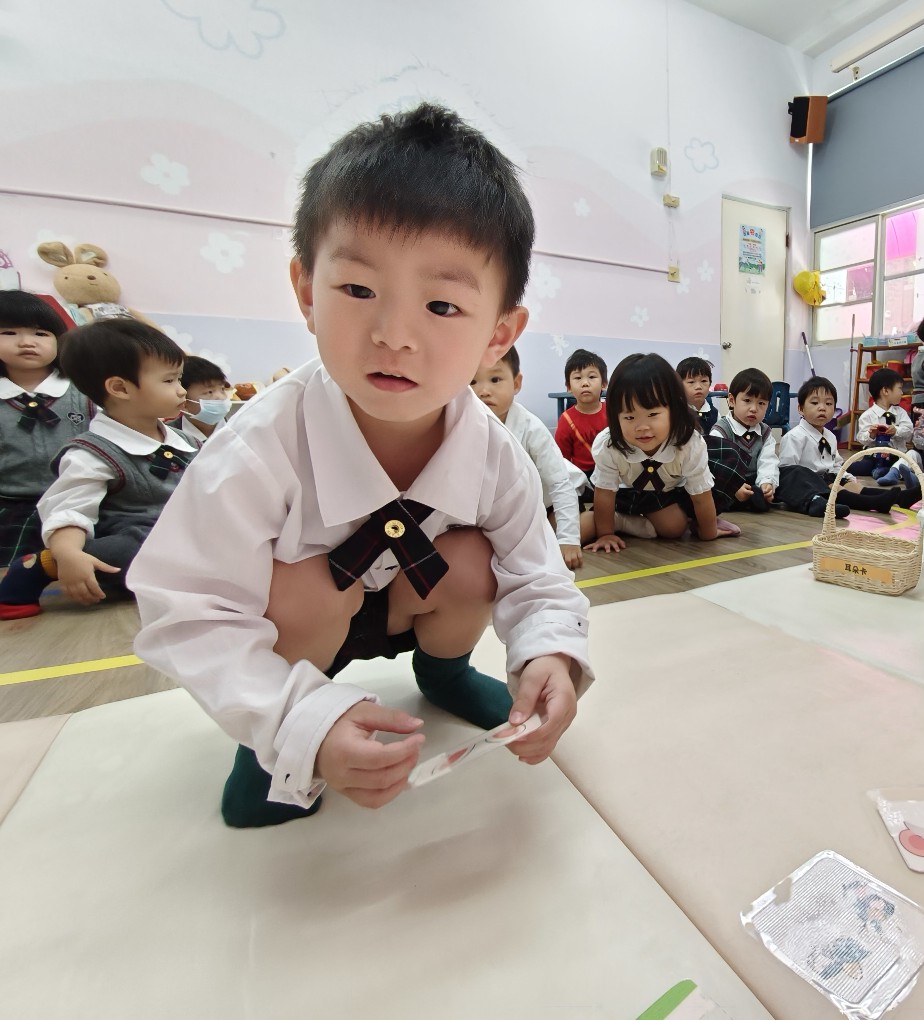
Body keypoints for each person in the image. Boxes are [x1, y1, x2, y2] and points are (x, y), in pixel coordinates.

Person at [127, 104, 593, 829]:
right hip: (307, 637)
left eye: (442, 305)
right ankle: (268, 751)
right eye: (358, 290)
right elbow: (186, 608)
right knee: (296, 591)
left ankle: (444, 673)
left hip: (417, 604)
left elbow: (536, 574)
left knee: (477, 560)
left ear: (499, 334)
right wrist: (296, 724)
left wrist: (550, 656)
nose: (394, 335)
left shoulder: (495, 451)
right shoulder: (259, 445)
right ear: (306, 292)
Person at [0, 319, 194, 619]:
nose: (181, 391)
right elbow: (70, 510)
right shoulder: (92, 453)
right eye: (169, 381)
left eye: (179, 380)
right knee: (143, 552)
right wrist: (68, 555)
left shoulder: (187, 441)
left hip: (183, 530)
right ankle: (41, 565)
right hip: (136, 536)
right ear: (120, 388)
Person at [585, 352, 739, 552]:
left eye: (653, 414)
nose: (642, 427)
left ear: (674, 409)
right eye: (629, 417)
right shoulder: (610, 443)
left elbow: (701, 495)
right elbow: (605, 493)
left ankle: (626, 522)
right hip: (623, 492)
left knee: (674, 528)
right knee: (585, 526)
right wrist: (605, 534)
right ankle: (618, 521)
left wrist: (708, 532)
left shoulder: (688, 443)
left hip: (664, 493)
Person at [472, 345, 593, 570]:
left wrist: (568, 540)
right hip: (511, 506)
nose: (484, 391)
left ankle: (603, 519)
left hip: (551, 498)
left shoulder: (530, 427)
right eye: (472, 382)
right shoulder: (464, 425)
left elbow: (560, 483)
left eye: (495, 379)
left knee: (549, 540)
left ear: (516, 383)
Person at [0, 290, 92, 565]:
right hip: (10, 503)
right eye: (9, 333)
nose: (27, 342)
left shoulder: (86, 392)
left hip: (79, 498)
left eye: (40, 333)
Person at [776, 376, 919, 517]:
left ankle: (900, 497)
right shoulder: (794, 436)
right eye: (814, 403)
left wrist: (846, 476)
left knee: (851, 485)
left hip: (827, 478)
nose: (822, 408)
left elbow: (836, 464)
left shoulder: (830, 436)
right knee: (834, 486)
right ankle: (875, 503)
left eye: (828, 404)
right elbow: (788, 473)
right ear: (801, 408)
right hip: (808, 486)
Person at [707, 367, 779, 514]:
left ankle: (759, 496)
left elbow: (768, 461)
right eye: (747, 401)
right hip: (728, 485)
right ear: (732, 401)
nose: (754, 409)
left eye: (761, 403)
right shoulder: (721, 430)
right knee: (713, 492)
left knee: (792, 473)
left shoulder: (765, 432)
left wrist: (766, 483)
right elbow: (716, 467)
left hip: (754, 481)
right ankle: (749, 500)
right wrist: (734, 487)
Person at [554, 348, 607, 477]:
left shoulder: (613, 412)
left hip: (612, 472)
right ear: (568, 387)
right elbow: (562, 460)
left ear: (604, 384)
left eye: (592, 377)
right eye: (578, 378)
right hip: (582, 478)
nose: (585, 383)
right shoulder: (566, 420)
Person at [854, 367, 912, 478]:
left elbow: (909, 432)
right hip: (874, 457)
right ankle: (880, 470)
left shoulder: (901, 413)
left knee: (904, 463)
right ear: (885, 391)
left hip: (897, 456)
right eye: (899, 389)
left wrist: (896, 431)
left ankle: (884, 472)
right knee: (864, 465)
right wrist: (871, 434)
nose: (902, 392)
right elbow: (861, 438)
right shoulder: (867, 415)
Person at [169, 354, 231, 446]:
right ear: (184, 402)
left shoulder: (239, 429)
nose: (221, 397)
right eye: (209, 392)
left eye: (222, 389)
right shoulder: (166, 436)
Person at [677, 356, 718, 431]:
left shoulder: (715, 413)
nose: (698, 387)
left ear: (710, 383)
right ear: (679, 384)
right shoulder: (676, 412)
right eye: (691, 382)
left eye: (703, 381)